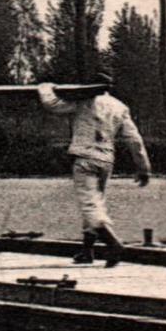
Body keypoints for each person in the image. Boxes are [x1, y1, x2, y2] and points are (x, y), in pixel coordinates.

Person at [38, 72, 152, 267]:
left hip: (85, 158)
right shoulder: (119, 107)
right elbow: (134, 139)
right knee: (95, 204)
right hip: (106, 160)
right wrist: (143, 167)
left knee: (90, 206)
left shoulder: (84, 101)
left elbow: (53, 104)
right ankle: (87, 251)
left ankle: (113, 244)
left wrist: (45, 88)